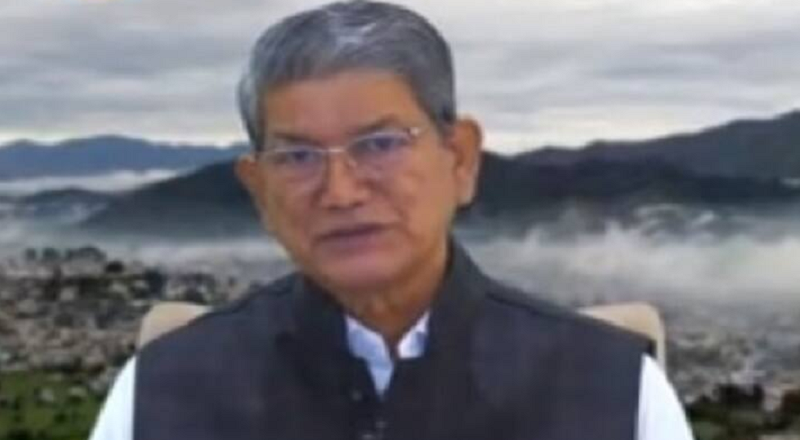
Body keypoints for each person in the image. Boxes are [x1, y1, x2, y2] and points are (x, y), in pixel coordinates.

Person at [89, 1, 695, 439]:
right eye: (298, 157)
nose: (341, 191)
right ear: (260, 190)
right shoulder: (165, 392)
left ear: (459, 159)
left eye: (380, 144)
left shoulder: (611, 389)